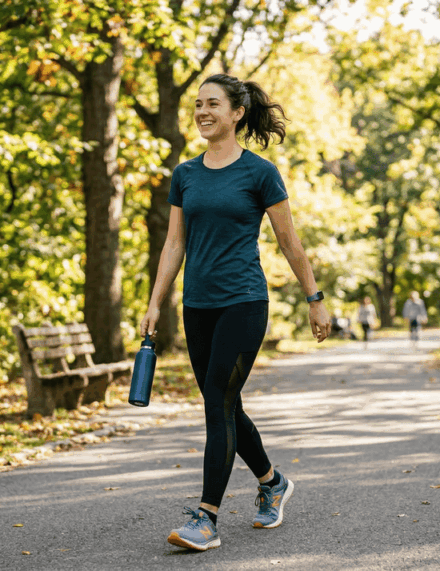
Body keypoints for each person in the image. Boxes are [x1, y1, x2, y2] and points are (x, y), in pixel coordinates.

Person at [139, 73, 332, 552]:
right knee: (224, 403)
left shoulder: (259, 172)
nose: (203, 112)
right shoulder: (185, 174)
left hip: (244, 302)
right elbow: (174, 242)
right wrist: (155, 301)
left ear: (237, 113)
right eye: (198, 104)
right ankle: (272, 483)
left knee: (217, 405)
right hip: (197, 305)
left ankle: (206, 518)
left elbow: (289, 241)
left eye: (213, 104)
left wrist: (314, 298)